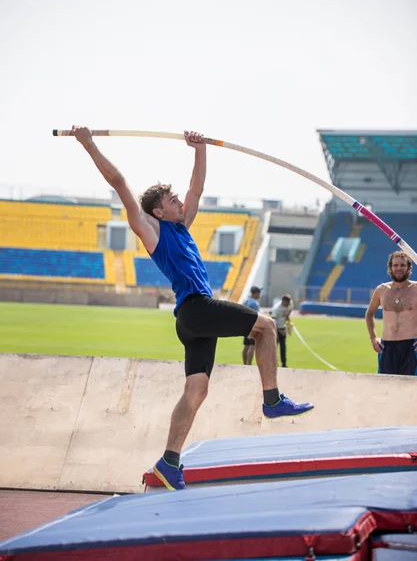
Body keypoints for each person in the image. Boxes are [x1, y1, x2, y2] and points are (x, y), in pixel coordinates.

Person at [71, 125, 314, 491]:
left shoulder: (182, 226)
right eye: (172, 200)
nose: (180, 202)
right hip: (195, 308)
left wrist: (199, 149)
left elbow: (196, 187)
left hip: (193, 320)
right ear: (157, 210)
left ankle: (169, 462)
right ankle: (272, 399)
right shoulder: (150, 230)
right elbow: (119, 181)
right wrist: (88, 143)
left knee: (196, 391)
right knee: (264, 327)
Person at [365, 251, 417, 376]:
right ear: (390, 268)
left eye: (402, 265)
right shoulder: (381, 290)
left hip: (411, 346)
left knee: (410, 389)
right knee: (385, 388)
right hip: (387, 347)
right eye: (395, 265)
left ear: (409, 268)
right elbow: (369, 314)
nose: (399, 268)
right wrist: (373, 337)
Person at [271, 294, 294, 367]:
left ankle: (284, 364)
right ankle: (273, 363)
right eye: (287, 303)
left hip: (283, 328)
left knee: (283, 347)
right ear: (283, 301)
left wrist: (288, 318)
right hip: (275, 328)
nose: (288, 305)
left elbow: (290, 309)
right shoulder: (276, 308)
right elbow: (273, 321)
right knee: (274, 347)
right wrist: (279, 331)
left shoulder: (290, 304)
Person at [242, 286, 262, 365]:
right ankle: (249, 364)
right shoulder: (254, 303)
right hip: (253, 326)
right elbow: (257, 316)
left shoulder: (245, 301)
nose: (259, 295)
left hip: (245, 325)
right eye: (259, 293)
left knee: (246, 345)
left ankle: (244, 363)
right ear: (256, 293)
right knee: (252, 346)